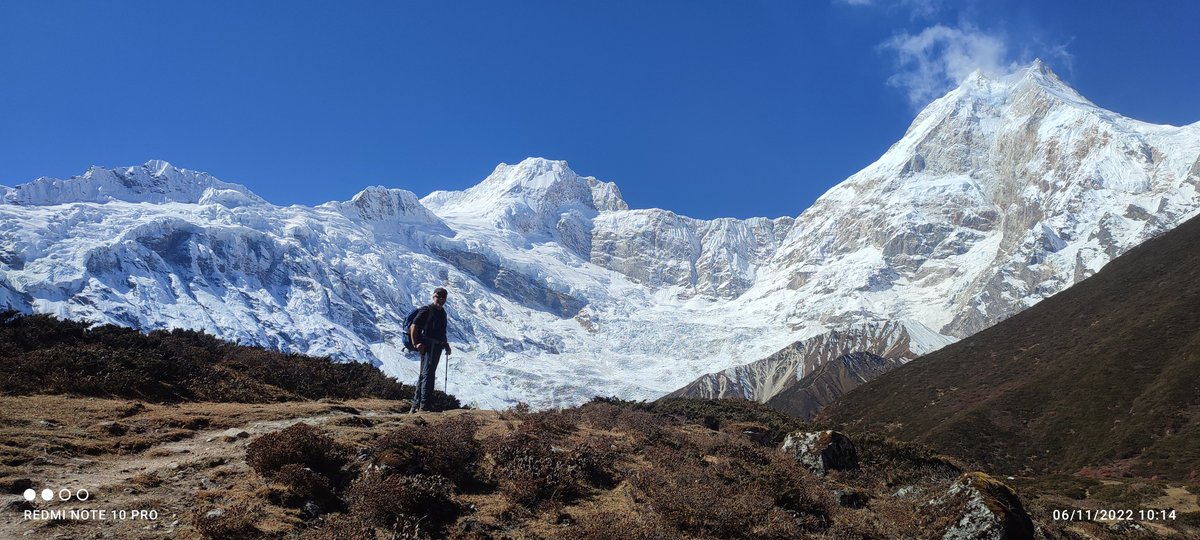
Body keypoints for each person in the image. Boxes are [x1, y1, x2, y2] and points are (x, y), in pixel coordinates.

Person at [410, 287, 451, 412]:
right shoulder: (427, 310)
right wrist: (416, 344)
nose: (441, 299)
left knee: (425, 374)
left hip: (437, 346)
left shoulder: (443, 312)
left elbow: (442, 331)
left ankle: (416, 405)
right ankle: (424, 406)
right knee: (428, 374)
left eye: (443, 298)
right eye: (438, 297)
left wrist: (446, 345)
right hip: (428, 345)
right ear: (433, 296)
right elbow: (414, 326)